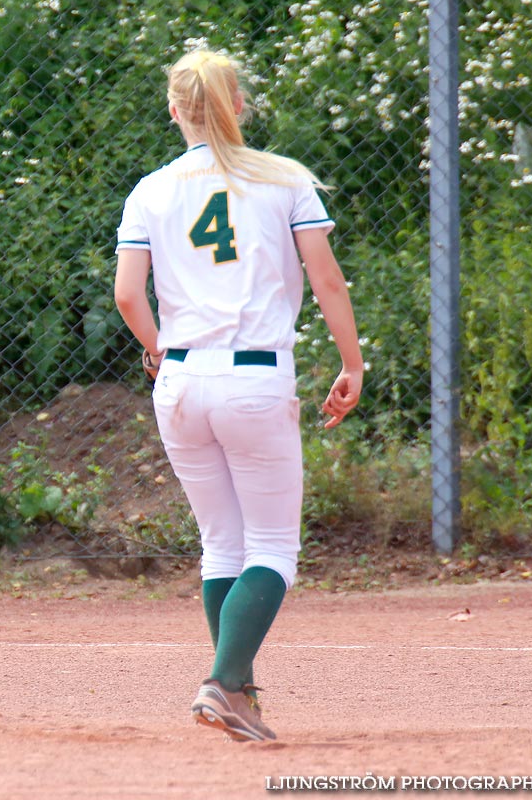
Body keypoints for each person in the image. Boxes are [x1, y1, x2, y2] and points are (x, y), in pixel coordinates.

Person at [113, 49, 363, 742]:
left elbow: (127, 295)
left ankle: (240, 692)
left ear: (174, 110)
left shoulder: (150, 190)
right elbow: (327, 280)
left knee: (222, 544)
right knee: (274, 545)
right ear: (241, 106)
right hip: (253, 375)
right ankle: (223, 683)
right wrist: (352, 362)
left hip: (182, 378)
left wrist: (159, 348)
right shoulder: (285, 181)